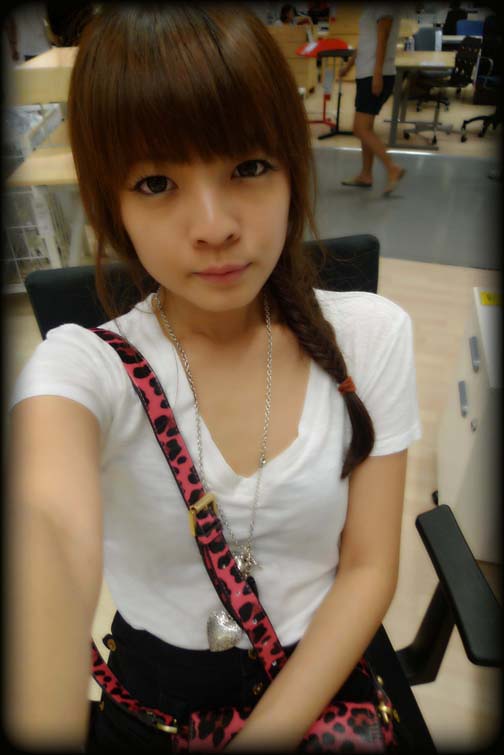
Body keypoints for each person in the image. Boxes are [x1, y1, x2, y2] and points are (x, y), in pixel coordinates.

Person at [5, 4, 421, 752]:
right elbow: (51, 531)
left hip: (325, 669)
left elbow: (368, 568)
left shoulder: (369, 337)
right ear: (110, 206)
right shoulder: (87, 365)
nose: (214, 226)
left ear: (293, 169)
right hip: (157, 695)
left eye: (249, 168)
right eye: (156, 182)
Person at [339, 4, 406, 195]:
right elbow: (366, 41)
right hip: (367, 73)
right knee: (366, 127)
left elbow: (383, 38)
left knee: (360, 128)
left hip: (374, 74)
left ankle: (392, 168)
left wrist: (377, 74)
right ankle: (366, 175)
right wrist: (349, 66)